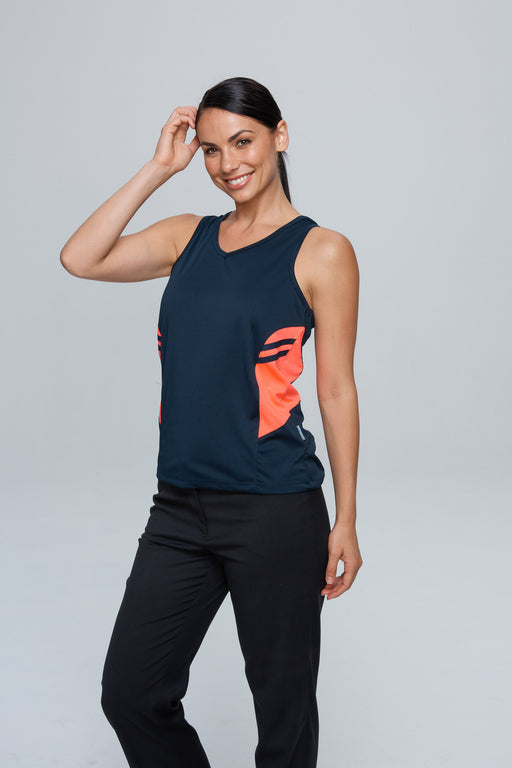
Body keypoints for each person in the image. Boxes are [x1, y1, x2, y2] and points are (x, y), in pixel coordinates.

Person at [60, 76, 362, 768]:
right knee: (131, 694)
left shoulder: (322, 251)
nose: (229, 163)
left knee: (284, 717)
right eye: (212, 149)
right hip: (179, 508)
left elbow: (337, 389)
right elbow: (81, 258)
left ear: (280, 136)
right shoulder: (185, 238)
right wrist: (159, 168)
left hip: (275, 509)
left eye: (244, 141)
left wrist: (345, 517)